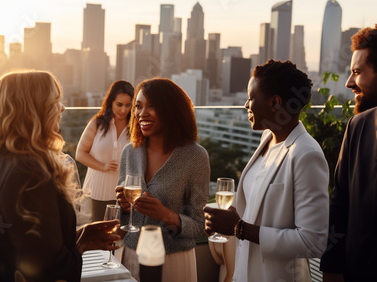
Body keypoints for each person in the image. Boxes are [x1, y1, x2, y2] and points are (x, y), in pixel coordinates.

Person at [0, 70, 120, 282]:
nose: (62, 108)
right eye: (55, 101)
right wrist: (82, 245)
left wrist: (80, 236)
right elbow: (48, 267)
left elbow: (25, 244)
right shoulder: (29, 171)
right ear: (33, 109)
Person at [204, 60, 329, 281]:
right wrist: (225, 219)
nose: (246, 105)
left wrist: (239, 228)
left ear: (275, 103)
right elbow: (257, 205)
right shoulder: (268, 138)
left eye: (251, 98)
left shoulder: (306, 154)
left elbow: (313, 242)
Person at [115, 77, 210, 282]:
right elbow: (122, 221)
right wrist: (123, 208)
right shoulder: (129, 152)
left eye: (152, 106)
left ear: (172, 110)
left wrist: (166, 215)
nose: (142, 113)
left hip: (173, 261)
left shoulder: (195, 156)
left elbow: (199, 225)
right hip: (130, 255)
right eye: (138, 106)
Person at [321, 25, 377, 281]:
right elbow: (339, 202)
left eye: (357, 72)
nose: (349, 83)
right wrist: (331, 267)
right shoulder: (358, 126)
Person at [76, 80, 134, 221]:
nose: (123, 110)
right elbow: (80, 154)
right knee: (99, 234)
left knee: (124, 235)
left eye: (128, 105)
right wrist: (103, 166)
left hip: (127, 193)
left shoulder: (135, 127)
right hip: (99, 189)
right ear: (110, 102)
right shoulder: (97, 123)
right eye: (119, 104)